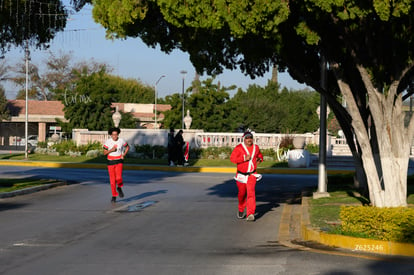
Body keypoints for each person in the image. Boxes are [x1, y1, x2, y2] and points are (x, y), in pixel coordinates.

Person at [230, 131, 263, 221]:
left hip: (252, 174)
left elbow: (259, 155)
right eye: (247, 138)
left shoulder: (256, 148)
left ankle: (250, 214)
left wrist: (260, 158)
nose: (249, 140)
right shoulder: (239, 148)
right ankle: (241, 208)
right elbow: (232, 159)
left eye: (251, 138)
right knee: (242, 194)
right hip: (241, 175)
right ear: (244, 139)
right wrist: (244, 158)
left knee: (251, 193)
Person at [103, 127, 129, 203]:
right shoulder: (108, 142)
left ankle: (119, 188)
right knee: (112, 180)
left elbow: (127, 147)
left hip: (119, 160)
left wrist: (123, 154)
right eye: (113, 135)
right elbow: (104, 153)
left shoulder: (121, 141)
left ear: (118, 134)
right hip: (110, 161)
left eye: (116, 134)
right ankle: (114, 195)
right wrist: (111, 150)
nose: (115, 136)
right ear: (111, 135)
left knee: (119, 177)